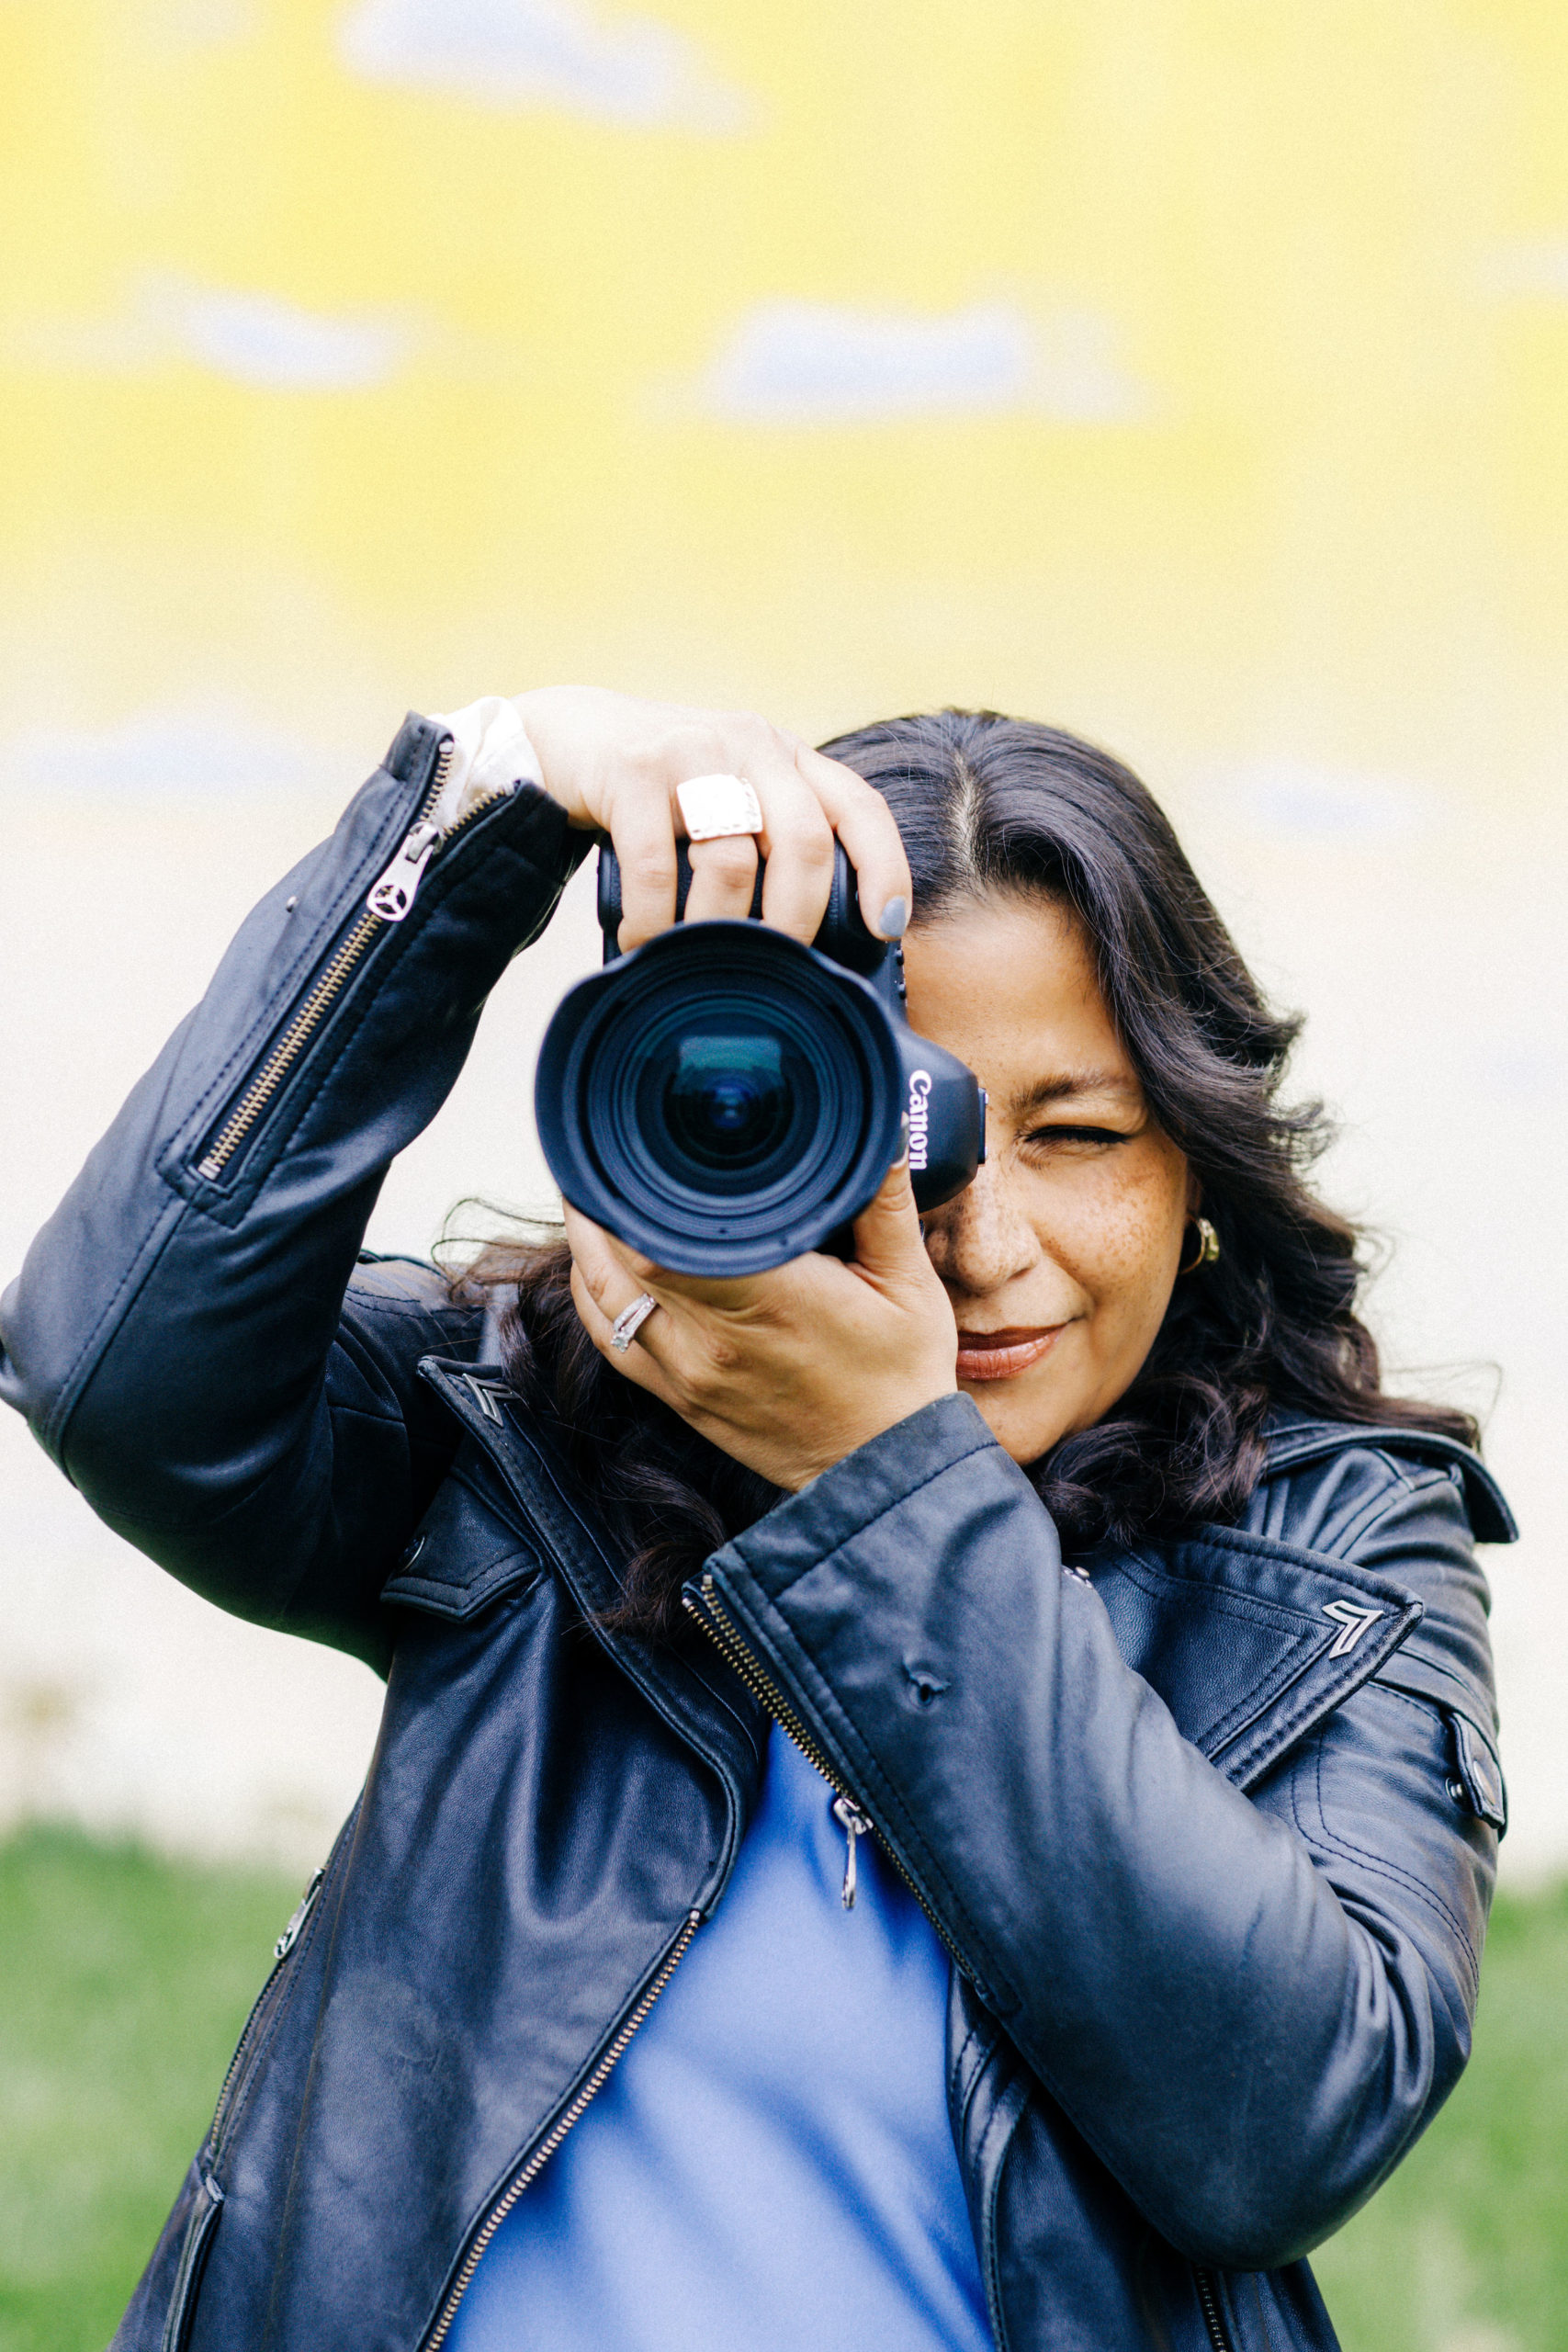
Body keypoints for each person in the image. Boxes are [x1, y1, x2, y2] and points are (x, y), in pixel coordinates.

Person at [0, 689, 1512, 2352]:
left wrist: (884, 1482)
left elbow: (1278, 2122)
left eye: (1080, 1135)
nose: (987, 1242)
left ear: (1200, 1166)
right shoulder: (536, 1442)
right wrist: (480, 816)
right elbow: (115, 1373)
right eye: (907, 1129)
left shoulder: (1333, 1554)